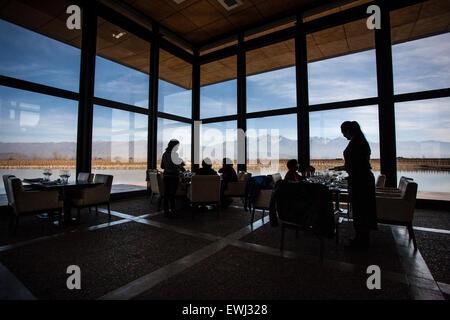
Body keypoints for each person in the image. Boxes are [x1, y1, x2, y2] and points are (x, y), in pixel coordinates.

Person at [341, 121, 377, 250]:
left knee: (361, 211)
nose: (344, 136)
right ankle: (361, 239)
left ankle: (361, 243)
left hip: (360, 181)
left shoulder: (357, 143)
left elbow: (356, 166)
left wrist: (350, 179)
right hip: (363, 180)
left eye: (344, 133)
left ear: (348, 131)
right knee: (362, 211)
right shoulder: (361, 141)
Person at [161, 139, 185, 217]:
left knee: (166, 194)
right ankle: (173, 210)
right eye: (177, 146)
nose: (178, 147)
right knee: (172, 195)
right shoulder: (175, 154)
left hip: (166, 176)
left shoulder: (164, 154)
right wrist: (181, 165)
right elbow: (176, 166)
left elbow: (162, 166)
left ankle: (166, 211)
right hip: (174, 176)